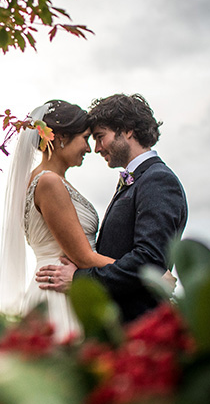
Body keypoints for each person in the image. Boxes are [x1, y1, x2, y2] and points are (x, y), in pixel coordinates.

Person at [35, 93, 188, 324]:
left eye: (99, 137)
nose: (96, 148)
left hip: (138, 320)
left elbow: (148, 259)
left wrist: (80, 279)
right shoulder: (138, 180)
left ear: (127, 130)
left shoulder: (158, 181)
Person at [0, 100, 113, 340]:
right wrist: (145, 273)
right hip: (60, 292)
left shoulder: (41, 180)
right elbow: (84, 257)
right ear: (61, 137)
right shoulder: (49, 183)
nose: (89, 148)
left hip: (56, 284)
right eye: (85, 138)